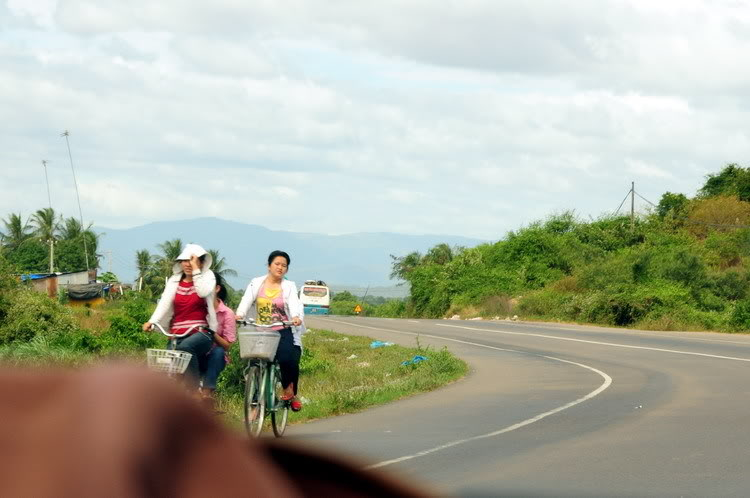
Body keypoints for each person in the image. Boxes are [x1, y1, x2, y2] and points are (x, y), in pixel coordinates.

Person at [236, 250, 305, 411]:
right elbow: (246, 300)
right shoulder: (256, 283)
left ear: (286, 269)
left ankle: (289, 389)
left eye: (284, 266)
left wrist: (295, 317)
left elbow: (294, 303)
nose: (280, 268)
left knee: (288, 358)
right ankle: (255, 406)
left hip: (282, 329)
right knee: (254, 364)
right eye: (277, 264)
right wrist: (239, 314)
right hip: (260, 330)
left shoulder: (288, 286)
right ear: (269, 266)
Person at [142, 243, 217, 390]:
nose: (188, 264)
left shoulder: (208, 278)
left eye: (193, 260)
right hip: (177, 333)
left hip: (202, 332)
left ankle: (194, 391)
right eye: (185, 260)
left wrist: (196, 271)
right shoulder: (174, 280)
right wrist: (152, 321)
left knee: (186, 348)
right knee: (162, 363)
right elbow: (164, 302)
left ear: (201, 262)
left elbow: (202, 292)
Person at [199, 274, 236, 405]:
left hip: (214, 357)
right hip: (197, 353)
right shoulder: (198, 308)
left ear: (217, 288)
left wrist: (212, 333)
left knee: (218, 352)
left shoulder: (227, 313)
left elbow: (227, 345)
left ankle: (207, 393)